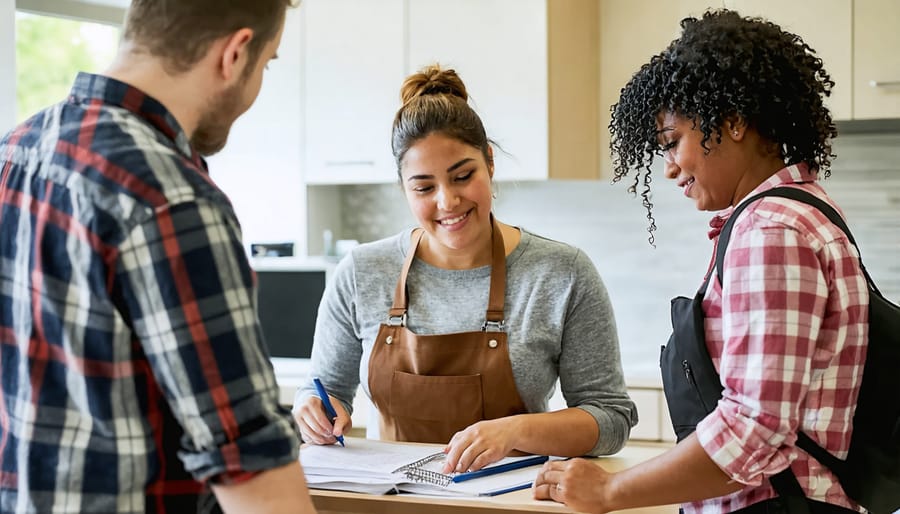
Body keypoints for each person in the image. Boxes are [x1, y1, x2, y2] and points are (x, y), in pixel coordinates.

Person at [534, 9, 868, 514]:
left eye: (672, 143)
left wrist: (609, 491)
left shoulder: (771, 231)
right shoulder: (797, 210)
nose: (669, 169)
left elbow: (753, 427)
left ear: (731, 121)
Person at [0, 1, 317, 513]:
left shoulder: (15, 152)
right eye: (267, 63)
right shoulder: (173, 200)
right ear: (235, 54)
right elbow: (253, 475)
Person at [293, 64, 637, 474]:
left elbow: (611, 419)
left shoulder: (562, 273)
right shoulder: (360, 272)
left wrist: (516, 431)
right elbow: (326, 391)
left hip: (511, 504)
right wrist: (312, 408)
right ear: (403, 187)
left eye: (462, 176)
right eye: (424, 187)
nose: (447, 201)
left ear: (489, 162)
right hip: (395, 504)